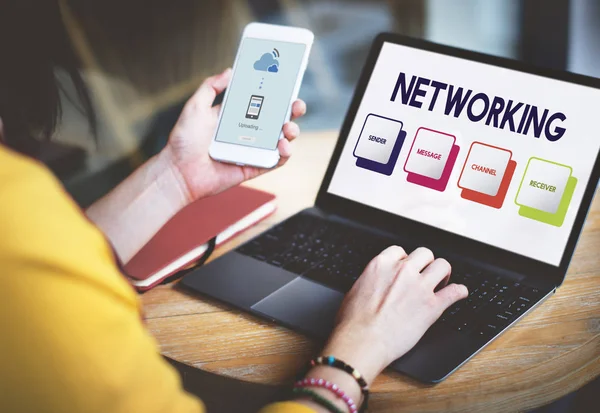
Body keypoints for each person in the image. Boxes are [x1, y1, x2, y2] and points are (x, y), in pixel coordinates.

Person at [0, 2, 468, 412]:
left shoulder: (21, 206)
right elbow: (33, 268)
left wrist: (176, 176)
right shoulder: (16, 214)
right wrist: (361, 346)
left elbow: (55, 256)